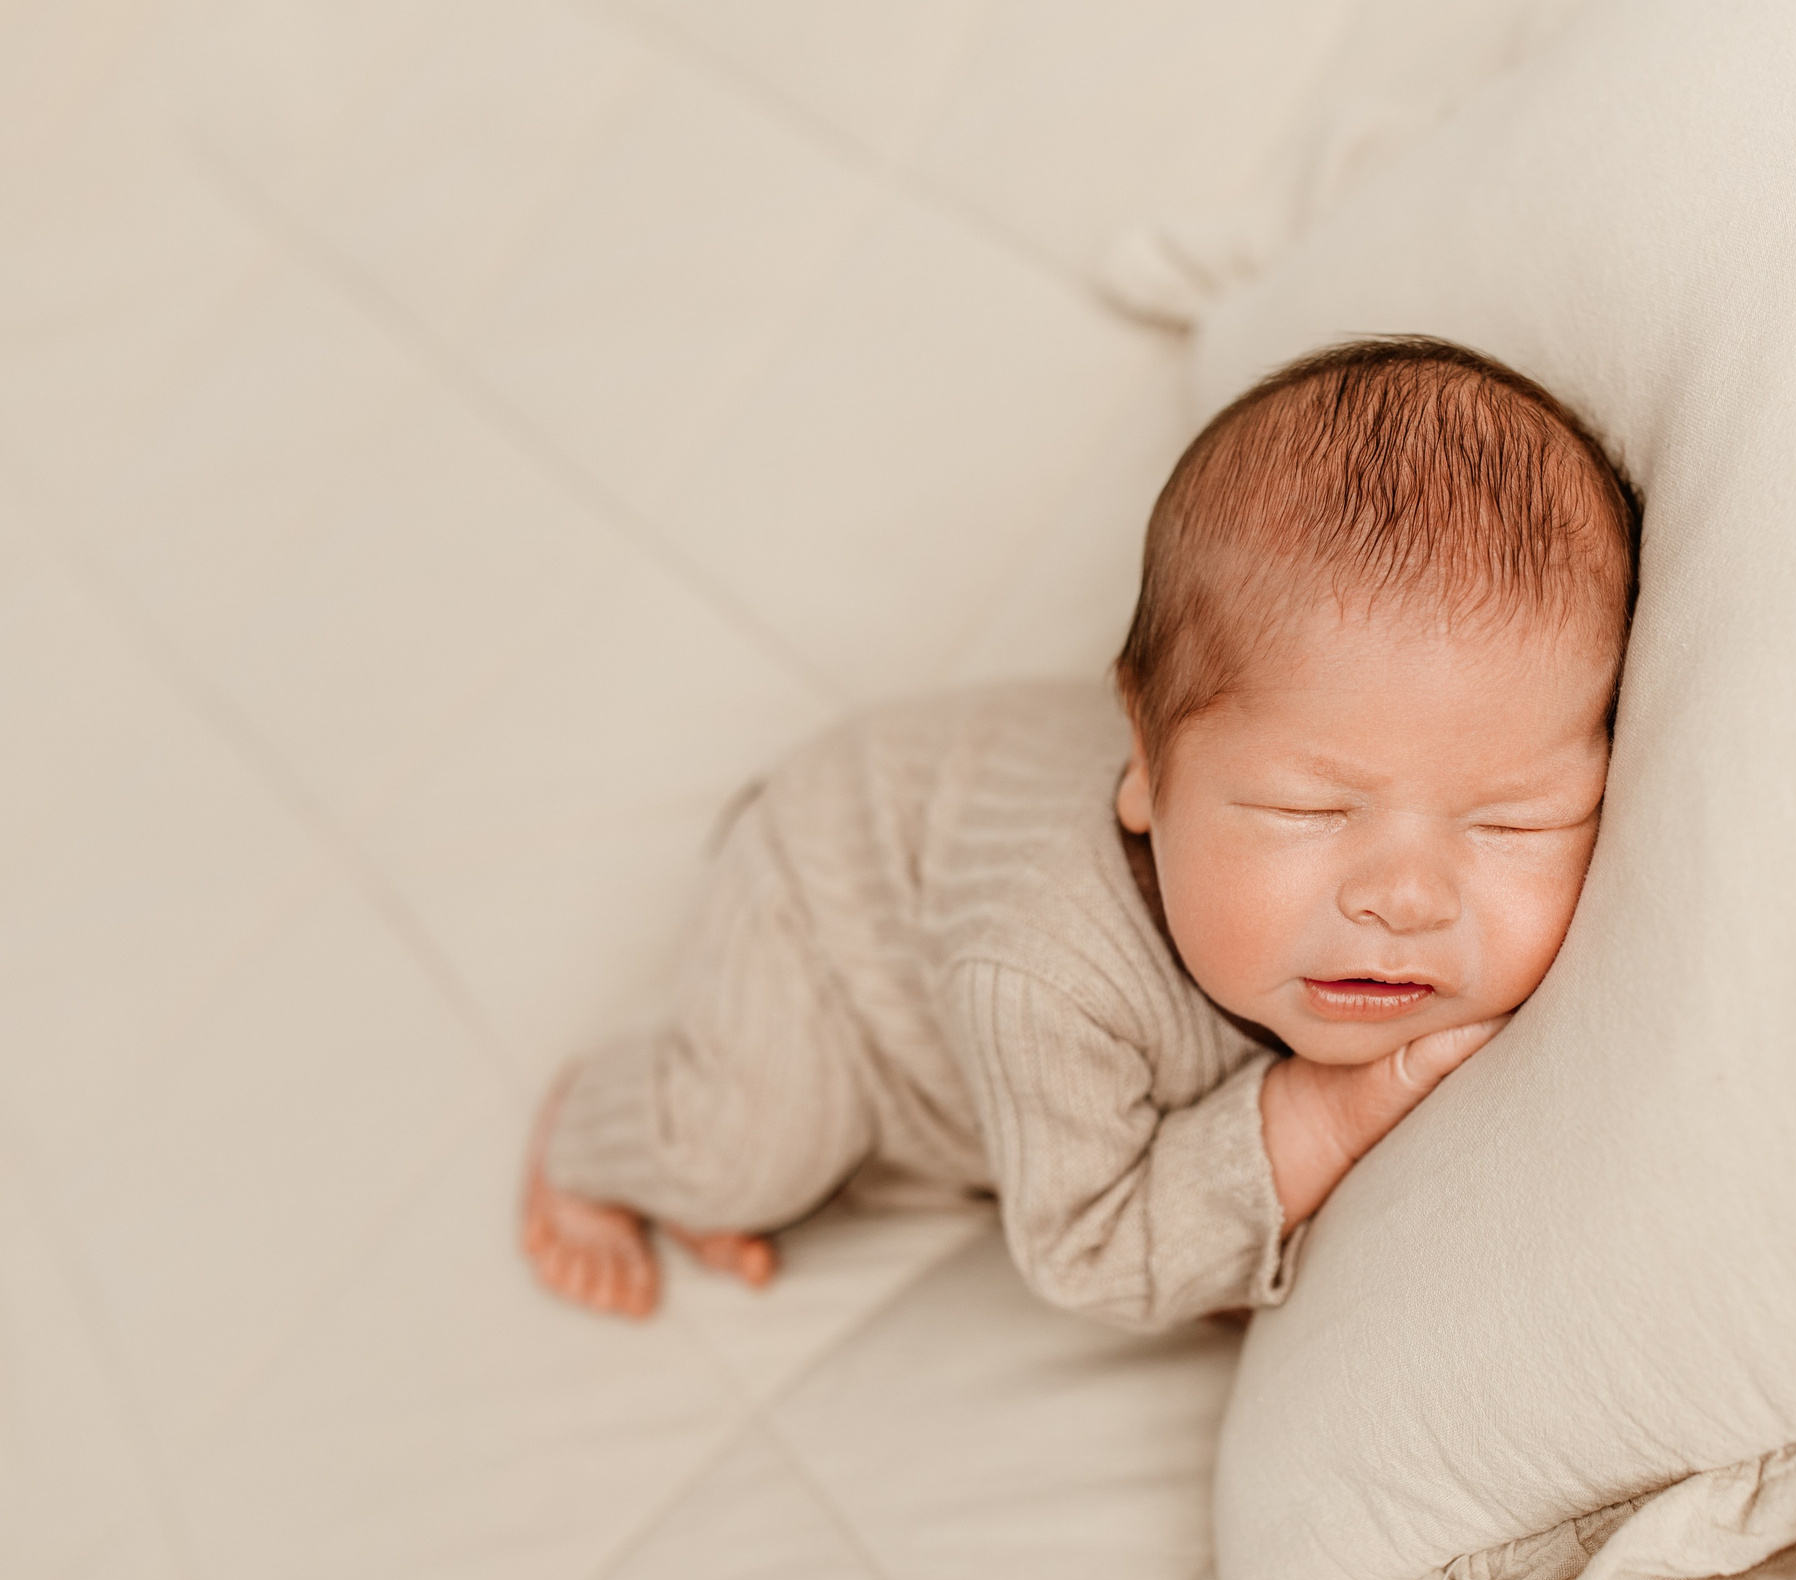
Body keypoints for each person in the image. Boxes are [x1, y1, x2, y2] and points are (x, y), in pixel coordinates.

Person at [519, 335, 1639, 1330]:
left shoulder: (1305, 854)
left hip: (950, 844)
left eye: (1509, 821)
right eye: (1309, 810)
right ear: (1146, 774)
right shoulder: (1045, 971)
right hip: (831, 898)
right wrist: (1315, 1115)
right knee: (745, 1153)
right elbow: (1087, 1253)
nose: (1406, 897)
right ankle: (599, 1134)